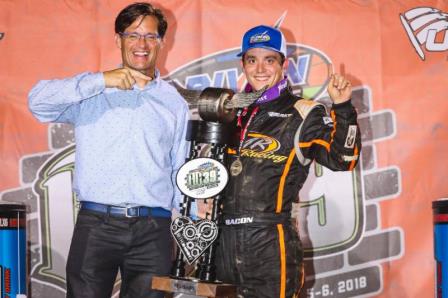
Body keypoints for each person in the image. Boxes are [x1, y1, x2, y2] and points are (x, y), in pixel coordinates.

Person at [28, 3, 189, 298]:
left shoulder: (174, 102)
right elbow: (37, 103)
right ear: (118, 39)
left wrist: (187, 219)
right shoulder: (92, 91)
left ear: (162, 42)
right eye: (133, 35)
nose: (142, 44)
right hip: (97, 225)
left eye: (150, 36)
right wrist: (101, 80)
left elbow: (179, 168)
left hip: (154, 229)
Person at [214, 25, 361, 298]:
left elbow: (344, 160)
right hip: (221, 242)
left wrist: (342, 108)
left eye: (269, 60)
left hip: (270, 243)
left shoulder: (302, 113)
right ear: (243, 64)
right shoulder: (228, 112)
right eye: (252, 60)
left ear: (284, 65)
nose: (260, 68)